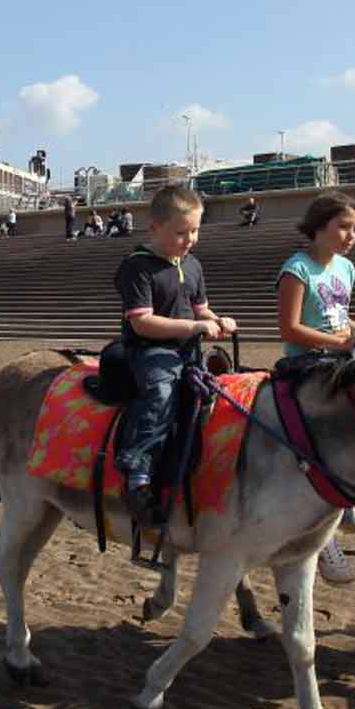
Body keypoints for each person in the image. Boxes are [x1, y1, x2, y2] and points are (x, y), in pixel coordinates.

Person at [276, 192, 355, 586]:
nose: (350, 235)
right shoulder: (297, 269)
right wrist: (337, 342)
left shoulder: (346, 268)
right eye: (343, 226)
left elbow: (339, 315)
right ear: (319, 226)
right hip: (306, 364)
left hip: (340, 358)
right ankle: (328, 531)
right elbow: (290, 329)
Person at [114, 184, 236, 525]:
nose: (190, 239)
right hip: (149, 351)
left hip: (188, 350)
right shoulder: (138, 266)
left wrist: (217, 320)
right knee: (160, 393)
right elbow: (142, 323)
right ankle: (137, 474)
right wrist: (195, 328)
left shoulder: (193, 264)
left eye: (195, 230)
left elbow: (201, 309)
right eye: (181, 232)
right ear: (154, 227)